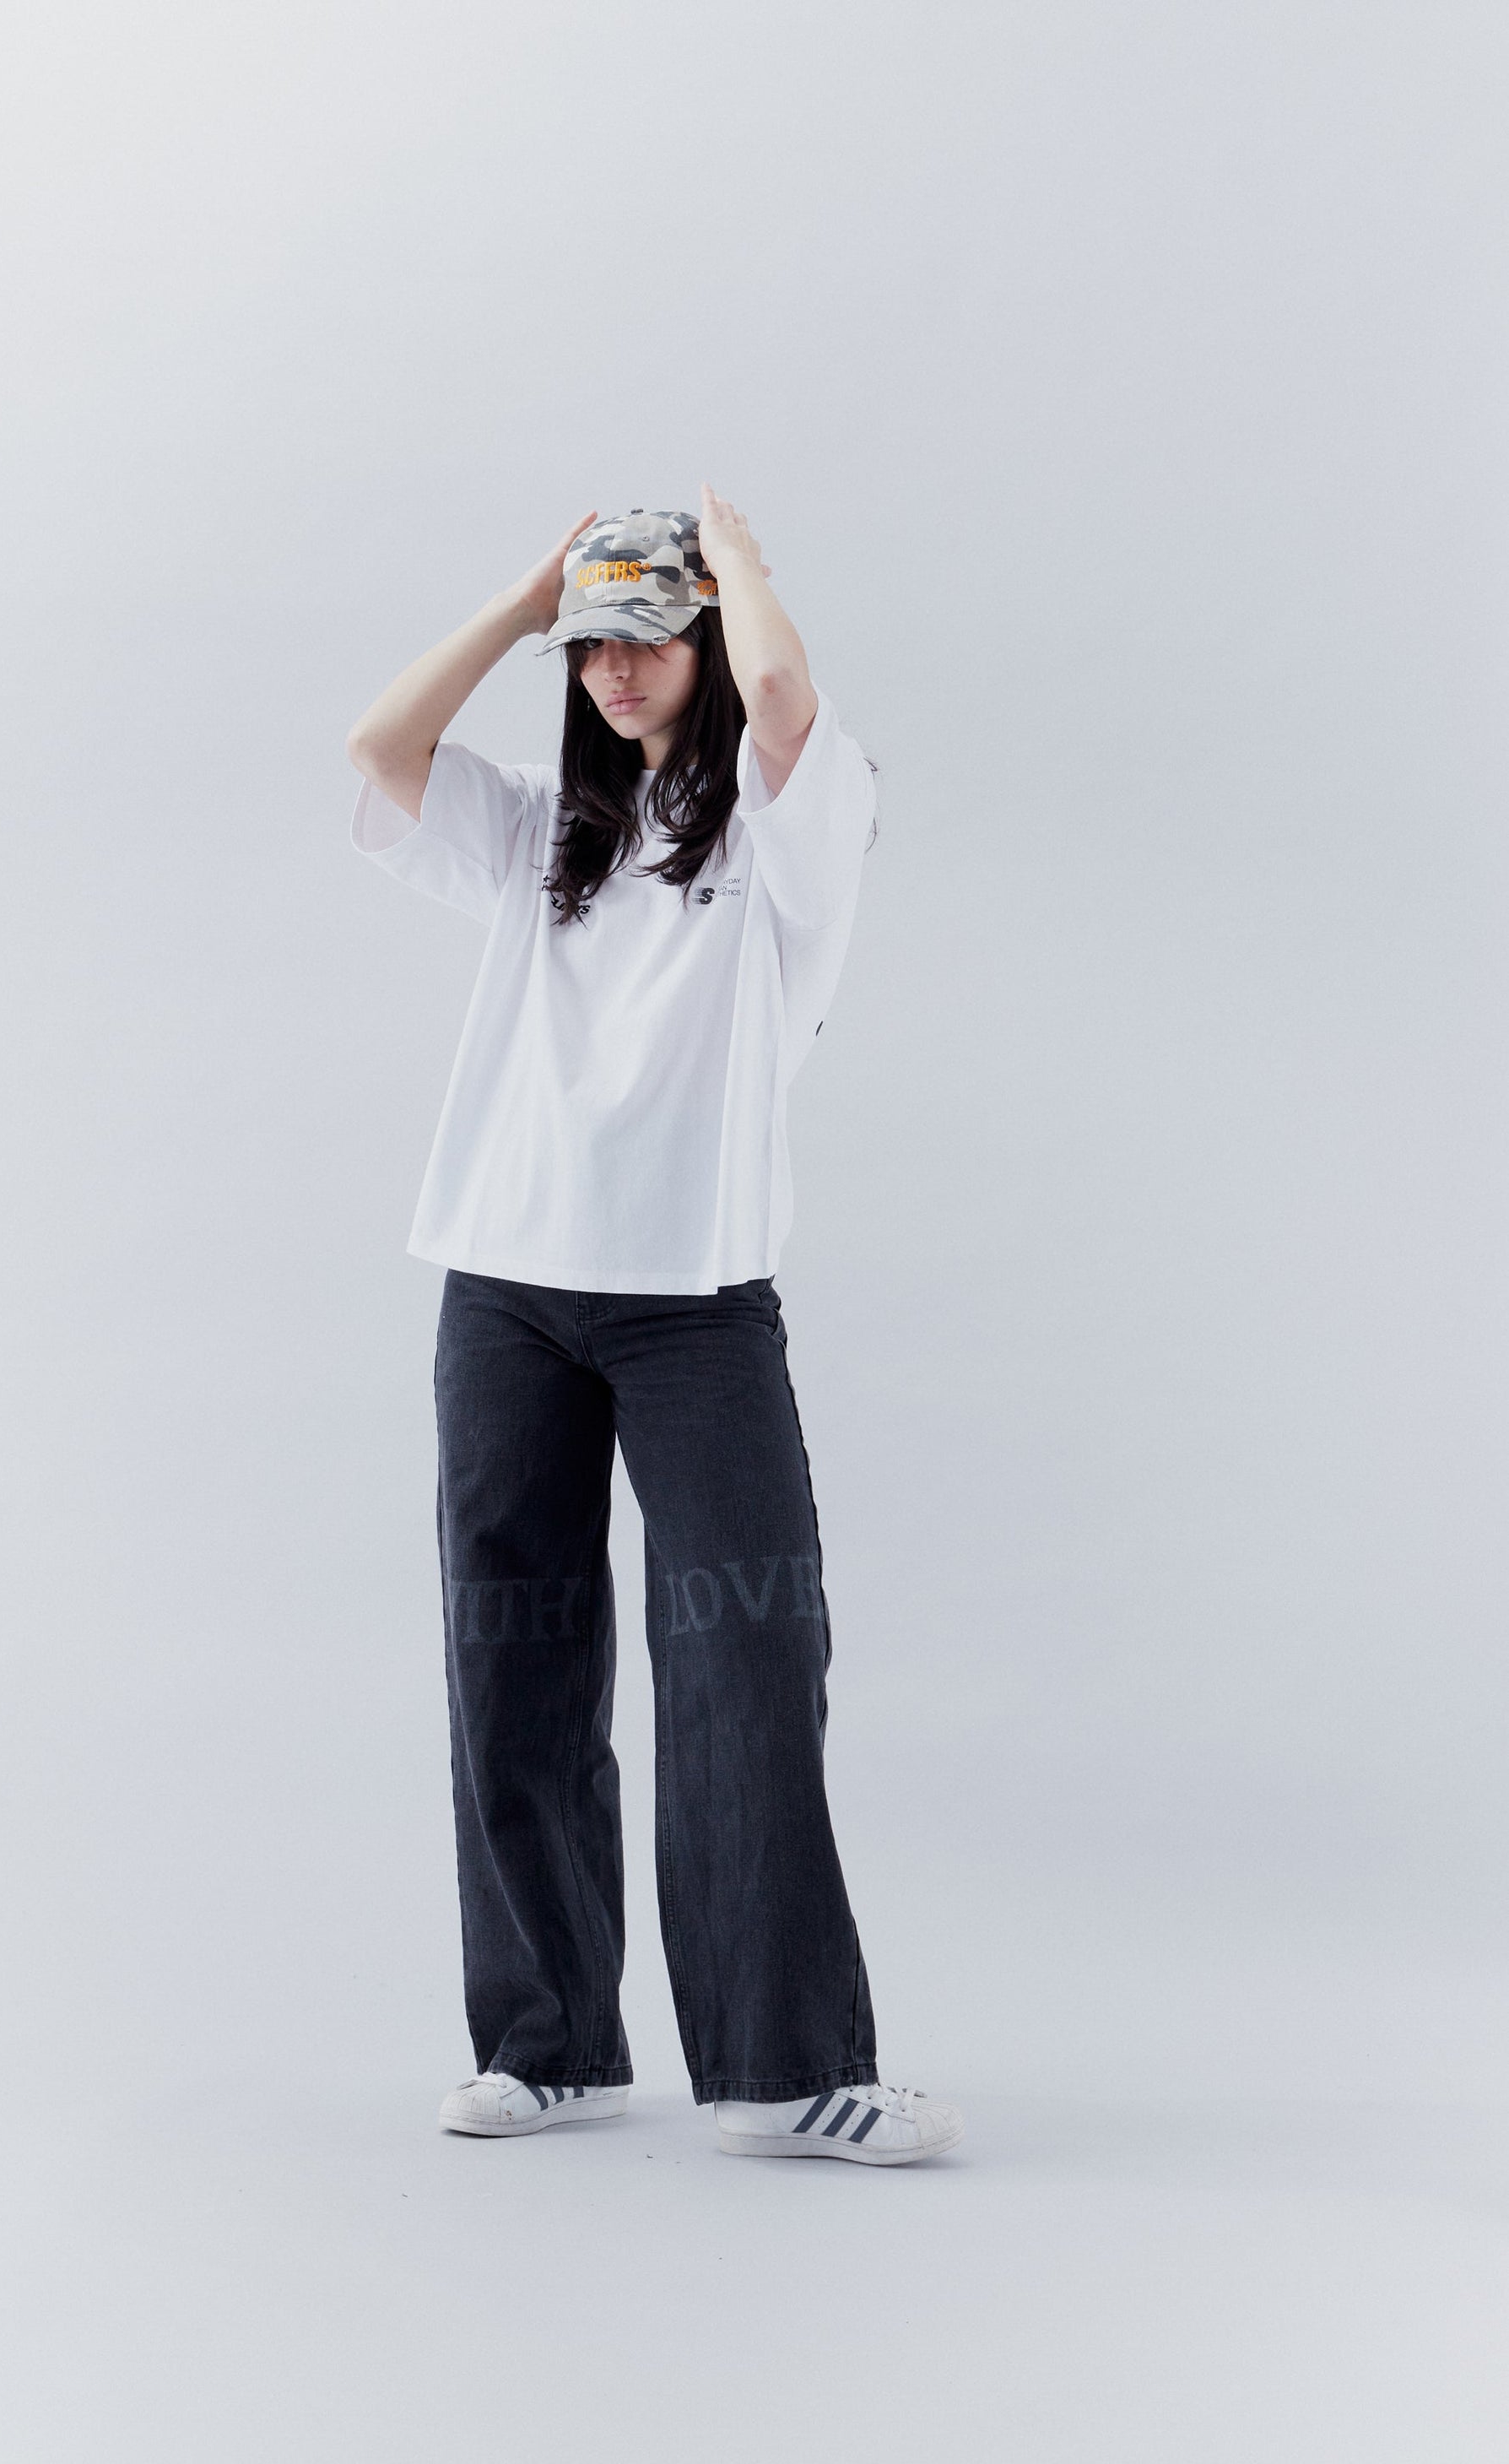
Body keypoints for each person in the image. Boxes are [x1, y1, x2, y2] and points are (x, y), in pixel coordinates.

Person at [344, 487, 960, 2165]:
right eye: (590, 648)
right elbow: (379, 747)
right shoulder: (541, 827)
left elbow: (782, 699)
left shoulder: (789, 829)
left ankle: (787, 2068)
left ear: (701, 637)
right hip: (503, 1291)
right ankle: (548, 2045)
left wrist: (737, 560)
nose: (614, 670)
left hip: (694, 1303)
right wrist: (524, 597)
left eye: (646, 638)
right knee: (513, 1657)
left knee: (745, 1659)